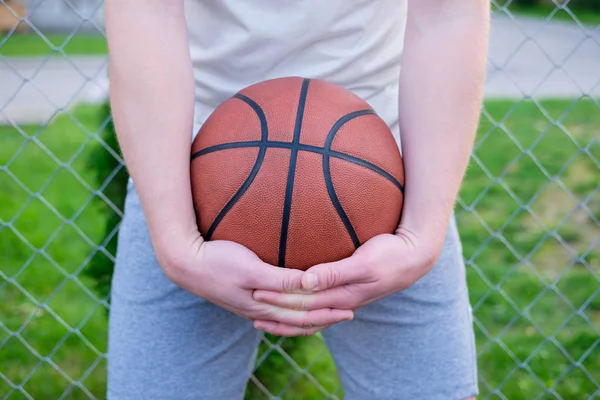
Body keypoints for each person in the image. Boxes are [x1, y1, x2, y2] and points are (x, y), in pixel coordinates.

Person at [104, 0, 490, 399]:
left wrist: (420, 238)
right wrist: (177, 245)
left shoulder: (396, 194)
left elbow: (448, 11)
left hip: (384, 180)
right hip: (186, 174)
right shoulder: (184, 192)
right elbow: (144, 11)